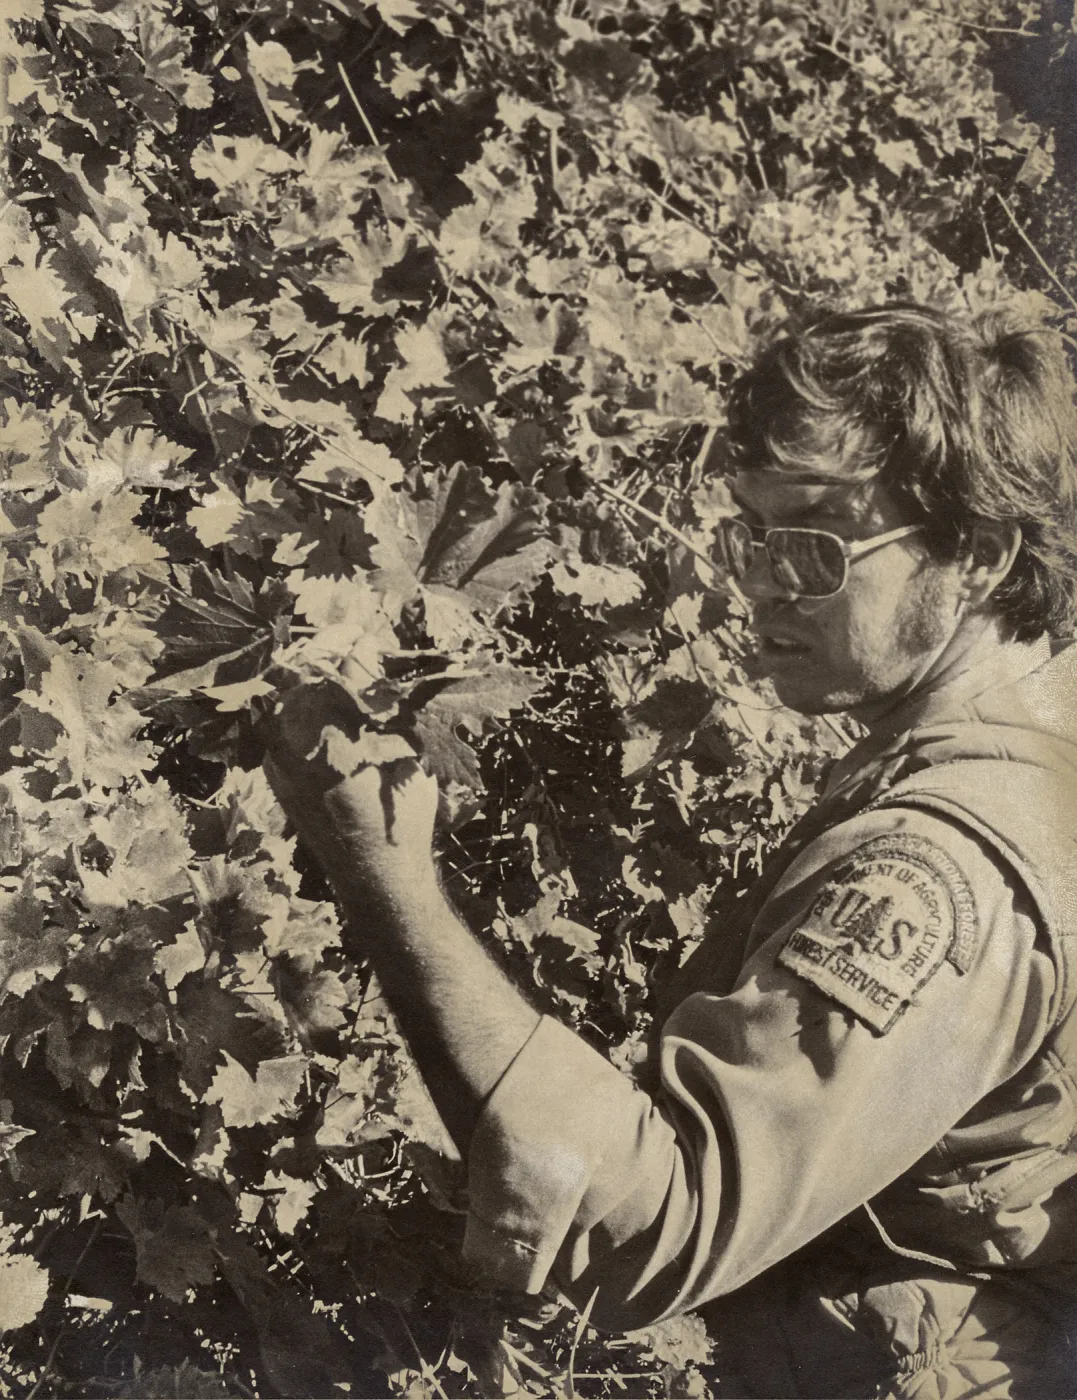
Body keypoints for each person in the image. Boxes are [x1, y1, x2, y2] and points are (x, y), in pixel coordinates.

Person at [263, 302, 1077, 1399]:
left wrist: (384, 873)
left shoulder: (941, 872)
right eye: (748, 532)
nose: (759, 581)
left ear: (977, 554)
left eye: (814, 544)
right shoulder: (1034, 735)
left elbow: (648, 1223)